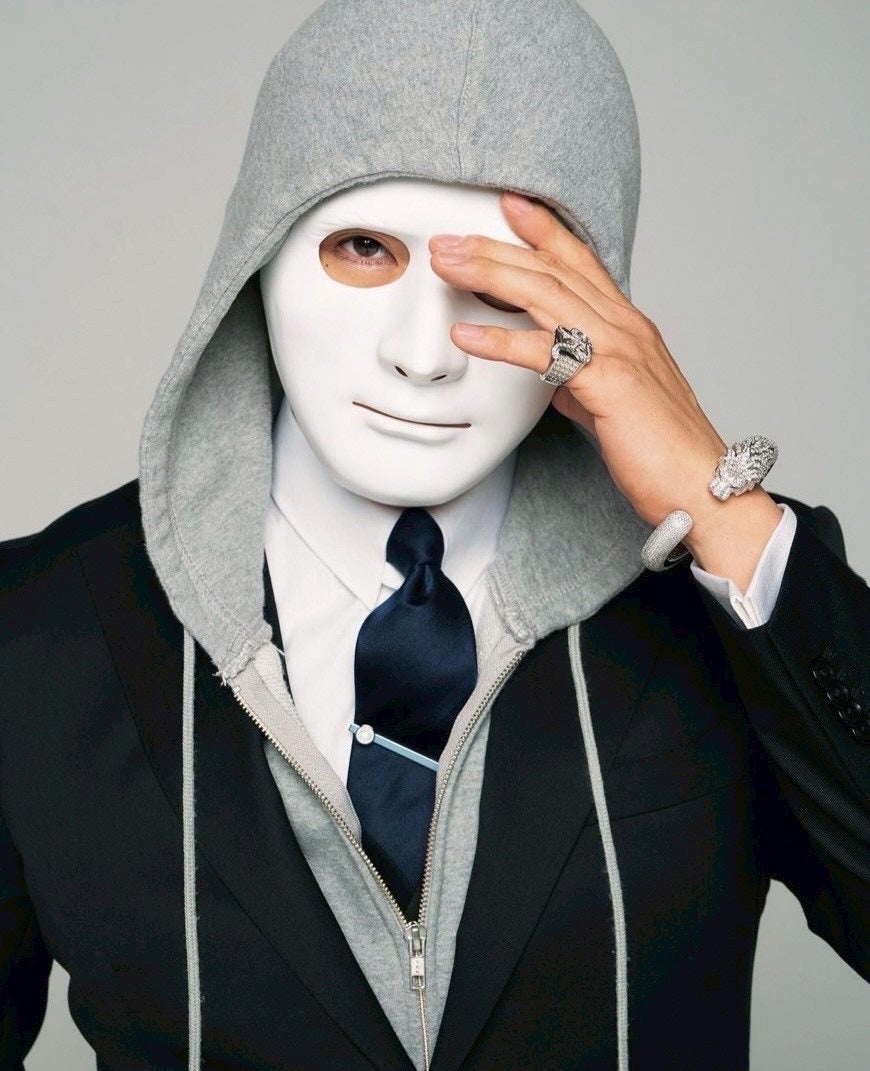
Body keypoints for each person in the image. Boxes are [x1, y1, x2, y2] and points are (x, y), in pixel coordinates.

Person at [1, 1, 867, 1069]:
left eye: (502, 281)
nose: (424, 355)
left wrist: (720, 505)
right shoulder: (33, 634)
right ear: (256, 254)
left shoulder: (741, 599)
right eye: (364, 249)